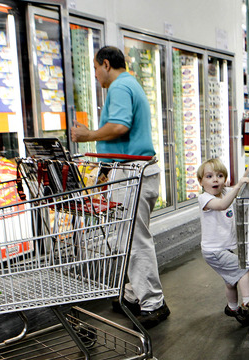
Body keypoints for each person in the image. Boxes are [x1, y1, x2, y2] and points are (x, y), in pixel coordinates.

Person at [71, 46, 170, 329]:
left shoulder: (119, 87)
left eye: (94, 68)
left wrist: (87, 134)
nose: (95, 75)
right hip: (134, 171)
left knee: (135, 239)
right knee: (129, 237)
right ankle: (133, 293)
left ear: (105, 64)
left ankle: (153, 302)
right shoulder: (130, 83)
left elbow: (119, 126)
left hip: (133, 173)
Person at [196, 158, 249, 326]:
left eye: (220, 176)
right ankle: (247, 301)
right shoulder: (204, 199)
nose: (215, 179)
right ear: (200, 181)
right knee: (244, 267)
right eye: (209, 176)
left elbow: (234, 190)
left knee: (230, 280)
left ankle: (232, 308)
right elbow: (223, 205)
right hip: (214, 251)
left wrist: (248, 172)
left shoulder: (225, 191)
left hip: (223, 249)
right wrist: (239, 185)